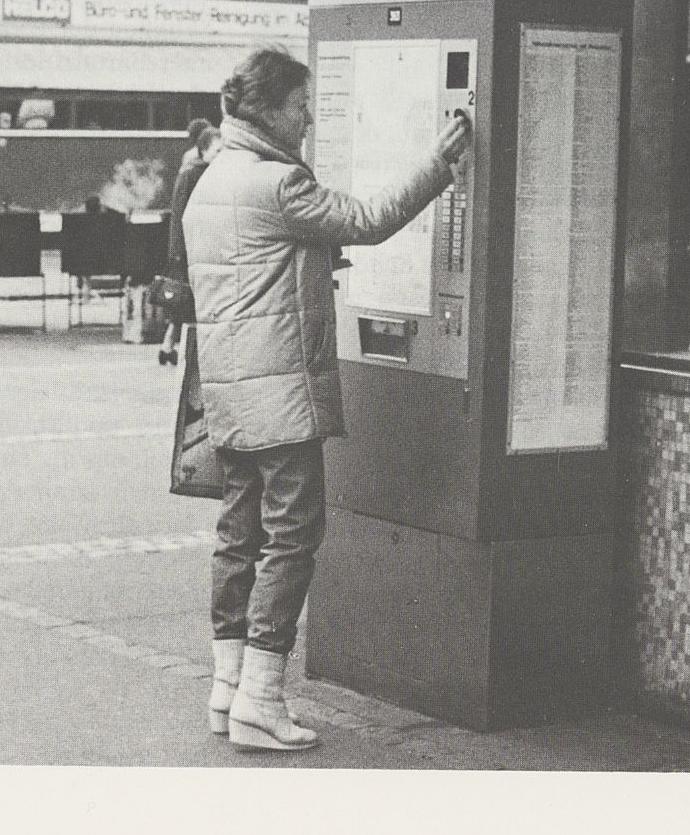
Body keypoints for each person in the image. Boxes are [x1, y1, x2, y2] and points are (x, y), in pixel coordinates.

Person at [183, 47, 471, 751]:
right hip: (280, 388)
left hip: (229, 390)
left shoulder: (212, 177)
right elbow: (370, 218)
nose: (309, 116)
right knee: (291, 539)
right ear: (270, 108)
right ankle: (261, 700)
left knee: (238, 535)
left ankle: (228, 689)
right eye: (299, 104)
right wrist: (439, 163)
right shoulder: (278, 185)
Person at [157, 124, 222, 367]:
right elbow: (179, 216)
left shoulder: (214, 175)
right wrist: (177, 253)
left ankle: (170, 347)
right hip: (190, 252)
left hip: (206, 250)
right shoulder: (191, 175)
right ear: (203, 151)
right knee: (186, 303)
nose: (220, 157)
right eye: (217, 151)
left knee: (187, 305)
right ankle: (178, 350)